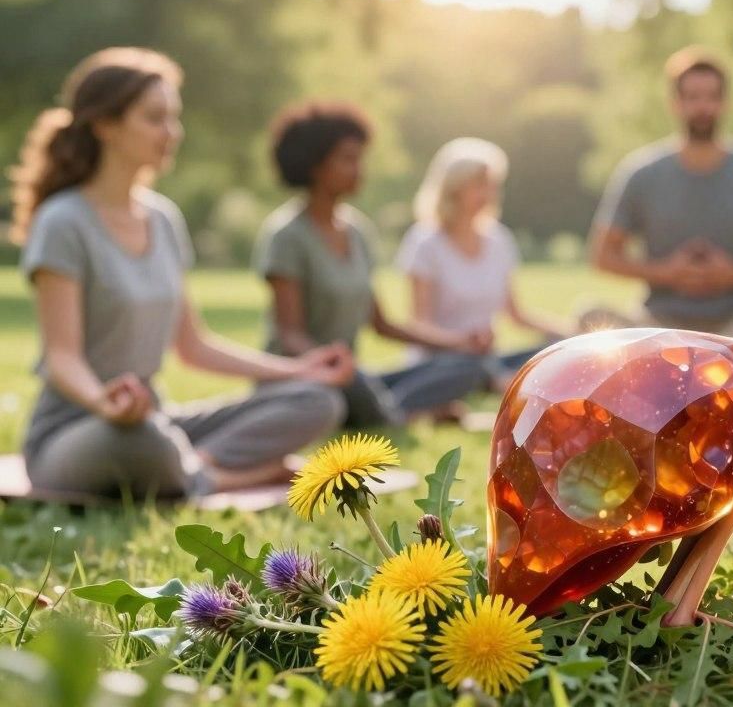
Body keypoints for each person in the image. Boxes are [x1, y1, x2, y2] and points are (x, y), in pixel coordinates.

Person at [11, 48, 351, 498]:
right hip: (78, 431)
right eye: (155, 118)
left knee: (317, 400)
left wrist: (297, 369)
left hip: (154, 419)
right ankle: (219, 475)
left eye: (174, 117)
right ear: (105, 124)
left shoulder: (164, 219)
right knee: (146, 443)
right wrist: (104, 403)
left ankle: (189, 468)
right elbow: (62, 359)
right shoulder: (63, 221)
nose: (172, 132)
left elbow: (194, 346)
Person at [255, 102, 485, 428]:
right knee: (356, 387)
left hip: (352, 375)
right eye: (348, 159)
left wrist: (459, 342)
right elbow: (289, 334)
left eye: (360, 158)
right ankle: (404, 414)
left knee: (466, 366)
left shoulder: (358, 232)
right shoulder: (287, 236)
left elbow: (382, 324)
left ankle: (391, 410)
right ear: (315, 165)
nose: (360, 169)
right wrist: (330, 361)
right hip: (307, 379)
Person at [581, 46, 733, 341]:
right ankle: (714, 361)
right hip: (658, 324)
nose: (703, 107)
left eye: (712, 97)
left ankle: (701, 358)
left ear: (725, 102)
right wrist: (668, 272)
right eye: (693, 98)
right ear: (675, 103)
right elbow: (602, 255)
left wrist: (731, 274)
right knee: (590, 315)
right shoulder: (641, 172)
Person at [394, 137, 567, 394]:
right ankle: (499, 382)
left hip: (487, 357)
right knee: (475, 367)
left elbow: (516, 315)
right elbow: (419, 324)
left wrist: (569, 335)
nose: (488, 194)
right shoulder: (425, 242)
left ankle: (502, 380)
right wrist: (461, 342)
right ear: (454, 189)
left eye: (492, 185)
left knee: (550, 355)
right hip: (442, 361)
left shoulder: (500, 240)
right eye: (479, 185)